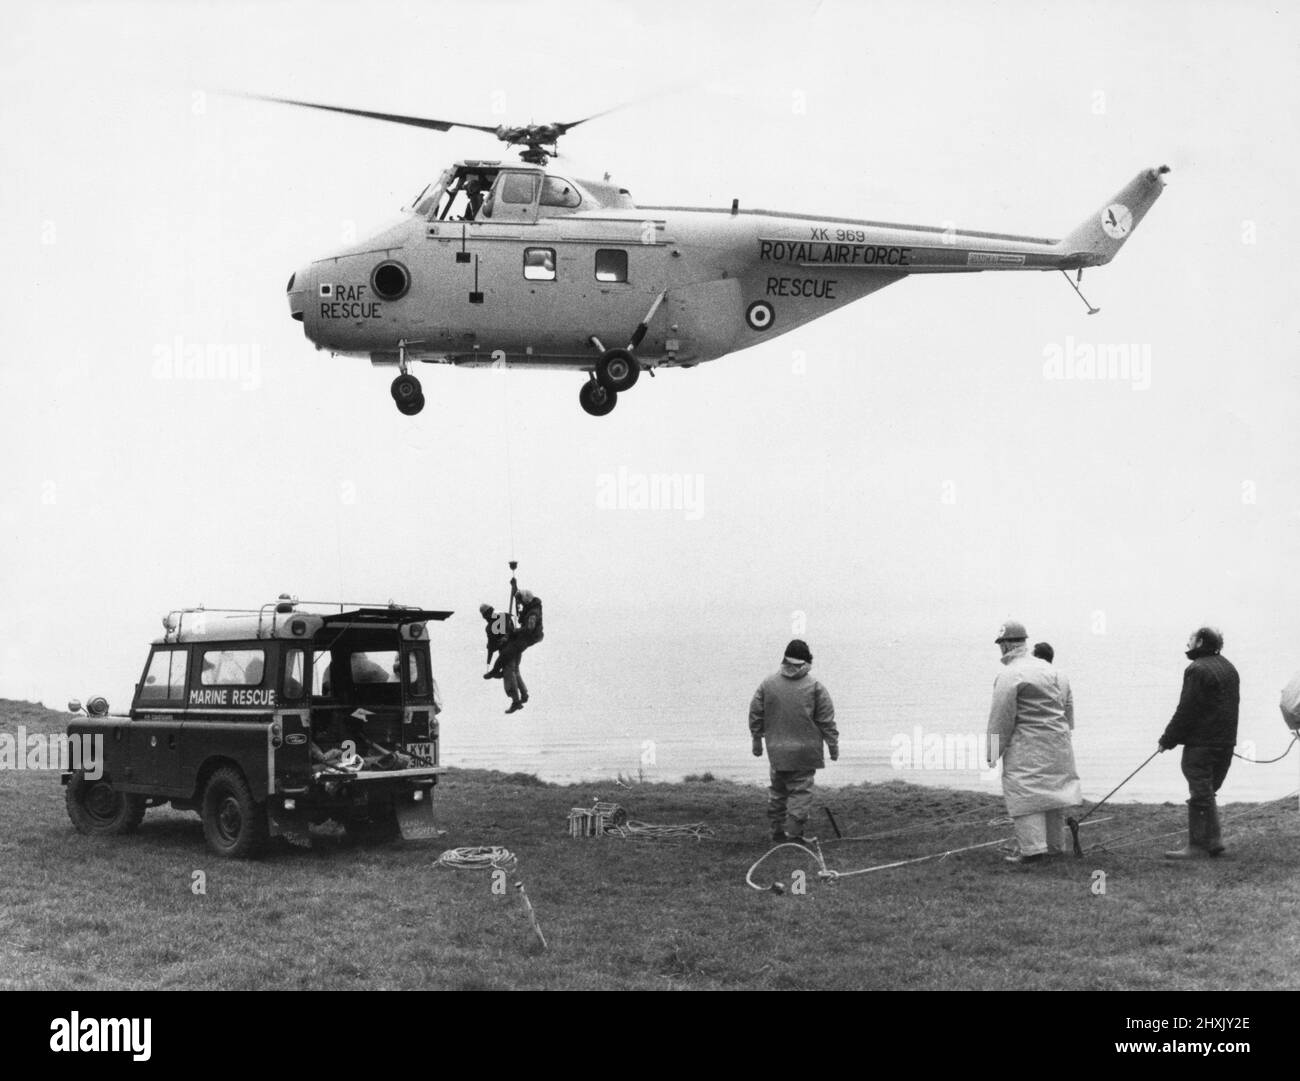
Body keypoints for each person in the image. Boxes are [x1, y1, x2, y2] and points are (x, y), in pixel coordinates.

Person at [986, 620, 1082, 864]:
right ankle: (1054, 846)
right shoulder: (1050, 670)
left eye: (1001, 644)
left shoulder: (1009, 674)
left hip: (1027, 746)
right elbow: (1066, 710)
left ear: (1006, 645)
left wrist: (992, 751)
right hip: (1057, 744)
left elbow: (1001, 717)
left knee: (1025, 796)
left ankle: (1031, 851)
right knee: (1053, 796)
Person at [1157, 626, 1239, 859]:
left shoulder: (1197, 669)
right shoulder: (1229, 667)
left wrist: (1167, 739)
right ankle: (1213, 843)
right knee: (1207, 789)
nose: (1187, 642)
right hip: (1226, 742)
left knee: (1201, 790)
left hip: (1202, 743)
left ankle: (1198, 846)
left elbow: (1187, 709)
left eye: (1191, 639)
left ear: (1201, 641)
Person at [748, 639, 838, 844]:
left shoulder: (768, 684)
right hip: (805, 751)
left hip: (777, 749)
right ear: (807, 661)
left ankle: (778, 832)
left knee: (778, 790)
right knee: (800, 792)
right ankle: (793, 835)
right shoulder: (815, 686)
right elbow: (826, 719)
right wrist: (833, 746)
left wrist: (757, 740)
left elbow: (756, 713)